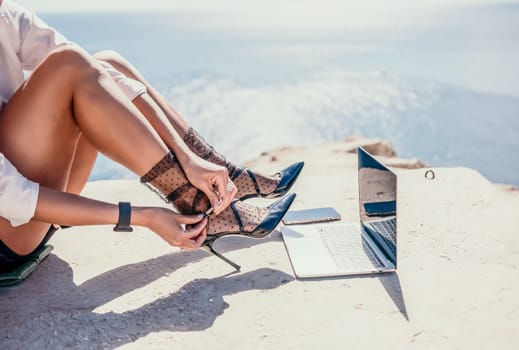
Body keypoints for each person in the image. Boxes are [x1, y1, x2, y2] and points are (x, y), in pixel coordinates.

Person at [0, 0, 302, 273]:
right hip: (11, 229)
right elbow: (14, 197)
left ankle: (216, 171)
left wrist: (189, 155)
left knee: (107, 63)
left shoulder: (7, 16)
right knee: (67, 64)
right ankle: (194, 201)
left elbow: (100, 73)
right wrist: (142, 216)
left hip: (36, 205)